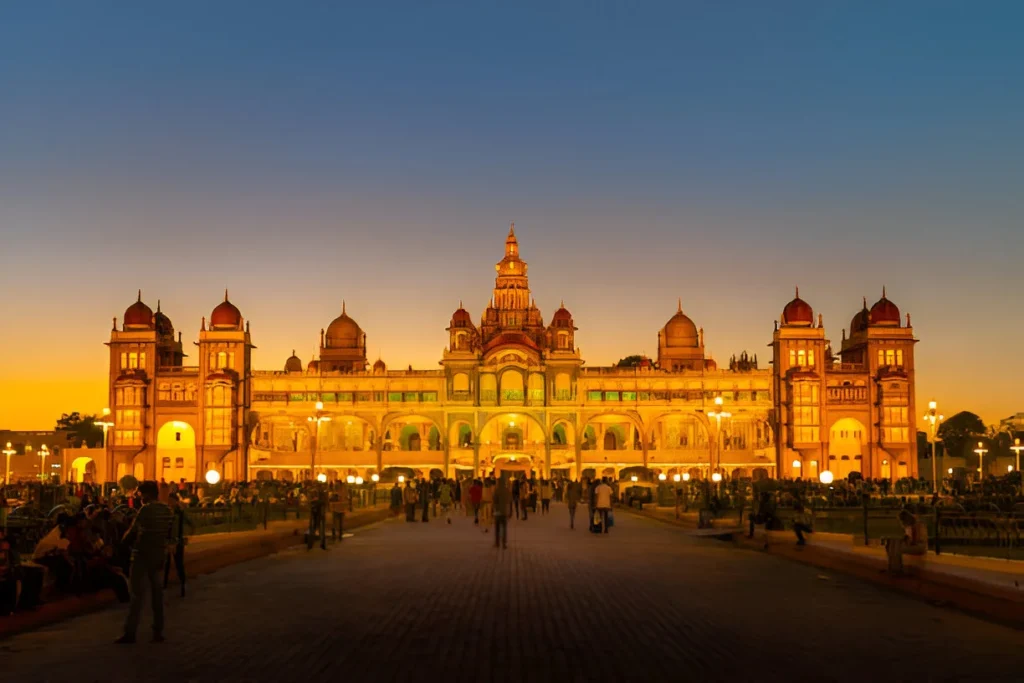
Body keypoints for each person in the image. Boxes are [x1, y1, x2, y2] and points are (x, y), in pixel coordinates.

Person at [117, 481, 173, 644]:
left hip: (142, 555)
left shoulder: (145, 510)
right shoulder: (167, 511)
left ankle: (130, 632)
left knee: (137, 595)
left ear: (147, 494)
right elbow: (170, 534)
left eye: (140, 494)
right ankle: (158, 631)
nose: (138, 498)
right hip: (158, 555)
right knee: (157, 595)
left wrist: (122, 544)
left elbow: (133, 532)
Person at [163, 493, 193, 596]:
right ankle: (164, 585)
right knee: (165, 564)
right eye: (169, 500)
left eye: (172, 500)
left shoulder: (180, 513)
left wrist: (186, 536)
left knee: (178, 564)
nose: (170, 503)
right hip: (167, 542)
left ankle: (183, 584)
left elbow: (190, 524)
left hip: (177, 542)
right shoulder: (166, 512)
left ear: (176, 501)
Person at [884, 510, 928, 575]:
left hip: (919, 547)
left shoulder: (915, 525)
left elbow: (913, 540)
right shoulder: (910, 525)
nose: (900, 522)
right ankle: (891, 567)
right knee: (892, 542)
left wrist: (903, 540)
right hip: (914, 544)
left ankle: (896, 569)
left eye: (901, 520)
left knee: (897, 547)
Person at [493, 476, 511, 550]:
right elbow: (510, 502)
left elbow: (494, 501)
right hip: (505, 511)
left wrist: (493, 510)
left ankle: (497, 543)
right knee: (504, 528)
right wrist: (510, 511)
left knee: (497, 528)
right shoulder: (507, 491)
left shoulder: (497, 490)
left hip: (498, 511)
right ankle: (504, 543)